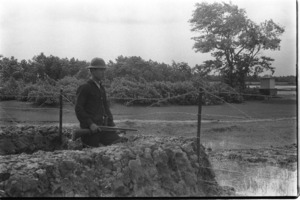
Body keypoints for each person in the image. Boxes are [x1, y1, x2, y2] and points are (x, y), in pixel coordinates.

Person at [73, 57, 124, 147]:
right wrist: (90, 124)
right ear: (92, 70)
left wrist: (112, 125)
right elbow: (78, 109)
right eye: (101, 70)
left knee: (119, 143)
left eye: (104, 70)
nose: (103, 72)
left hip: (103, 129)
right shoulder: (85, 87)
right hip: (90, 131)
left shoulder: (101, 88)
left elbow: (106, 108)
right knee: (97, 150)